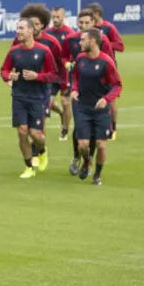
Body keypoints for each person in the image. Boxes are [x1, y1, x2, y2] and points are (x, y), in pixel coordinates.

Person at [1, 19, 59, 179]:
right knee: (22, 131)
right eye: (17, 28)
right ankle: (28, 167)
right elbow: (4, 70)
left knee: (35, 134)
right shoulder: (14, 52)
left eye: (21, 28)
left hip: (38, 97)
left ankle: (42, 150)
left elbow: (53, 74)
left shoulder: (44, 51)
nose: (18, 31)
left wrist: (37, 76)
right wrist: (8, 76)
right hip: (19, 96)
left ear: (31, 31)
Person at [63, 10, 113, 175]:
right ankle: (79, 157)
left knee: (96, 138)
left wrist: (108, 94)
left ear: (93, 24)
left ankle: (90, 163)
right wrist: (68, 69)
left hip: (99, 93)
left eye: (86, 23)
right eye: (80, 23)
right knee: (79, 131)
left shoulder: (103, 42)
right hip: (81, 94)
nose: (82, 26)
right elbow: (65, 58)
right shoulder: (72, 40)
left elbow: (110, 64)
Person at [14, 4, 66, 162]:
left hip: (46, 85)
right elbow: (12, 59)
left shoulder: (51, 42)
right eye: (31, 23)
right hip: (24, 87)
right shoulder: (18, 40)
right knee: (24, 129)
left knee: (40, 120)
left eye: (37, 24)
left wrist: (64, 86)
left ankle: (37, 150)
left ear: (43, 24)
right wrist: (11, 76)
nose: (33, 27)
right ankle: (34, 151)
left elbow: (61, 65)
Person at [71, 28, 122, 185]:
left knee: (100, 145)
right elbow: (75, 77)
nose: (80, 43)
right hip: (83, 107)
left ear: (92, 41)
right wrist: (73, 89)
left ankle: (97, 175)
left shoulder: (106, 62)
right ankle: (87, 162)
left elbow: (117, 85)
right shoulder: (80, 59)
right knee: (82, 145)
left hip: (100, 109)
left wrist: (106, 99)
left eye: (82, 40)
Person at [87, 2, 124, 140]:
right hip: (93, 67)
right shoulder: (89, 31)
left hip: (108, 67)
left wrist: (106, 42)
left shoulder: (108, 28)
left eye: (91, 14)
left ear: (96, 14)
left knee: (111, 99)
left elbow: (121, 46)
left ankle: (113, 127)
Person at [46, 7, 77, 141]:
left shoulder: (69, 34)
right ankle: (61, 113)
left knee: (66, 102)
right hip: (51, 74)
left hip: (65, 73)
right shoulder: (47, 33)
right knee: (49, 103)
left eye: (58, 17)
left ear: (64, 17)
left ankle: (65, 129)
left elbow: (74, 53)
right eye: (54, 17)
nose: (56, 19)